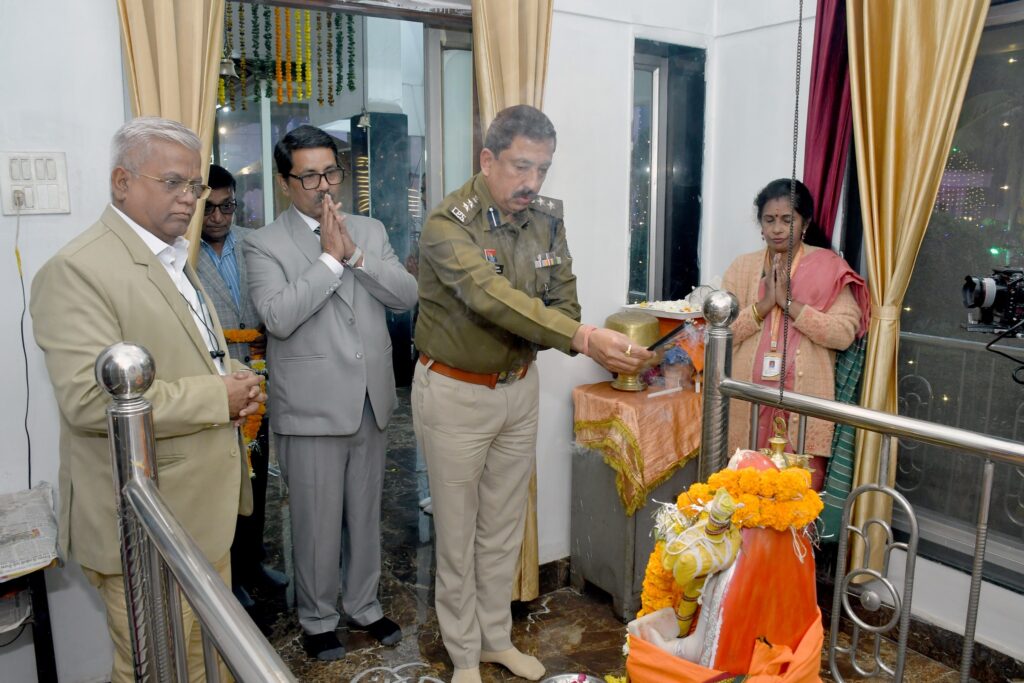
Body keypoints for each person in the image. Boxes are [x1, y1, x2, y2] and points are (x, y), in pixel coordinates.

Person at [414, 104, 653, 683]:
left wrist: (569, 328)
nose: (532, 181)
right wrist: (580, 337)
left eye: (542, 168)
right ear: (487, 159)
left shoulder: (546, 220)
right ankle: (463, 655)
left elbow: (563, 297)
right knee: (458, 534)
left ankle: (495, 638)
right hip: (456, 392)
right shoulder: (448, 225)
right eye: (521, 166)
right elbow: (490, 296)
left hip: (519, 389)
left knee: (503, 528)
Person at [31, 116, 265, 682]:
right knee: (160, 670)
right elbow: (89, 400)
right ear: (122, 182)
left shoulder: (170, 256)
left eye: (194, 185)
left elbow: (189, 354)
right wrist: (217, 397)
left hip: (200, 513)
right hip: (148, 524)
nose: (189, 198)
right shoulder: (78, 270)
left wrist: (233, 376)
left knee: (209, 664)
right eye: (173, 183)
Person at [242, 124, 417, 661]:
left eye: (331, 173)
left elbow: (405, 294)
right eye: (309, 176)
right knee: (315, 521)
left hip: (370, 399)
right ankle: (317, 617)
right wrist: (328, 260)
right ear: (284, 183)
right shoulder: (263, 243)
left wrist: (356, 255)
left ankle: (364, 605)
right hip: (311, 405)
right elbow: (278, 317)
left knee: (365, 514)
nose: (324, 186)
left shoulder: (369, 228)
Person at [721, 178, 870, 490]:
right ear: (760, 225)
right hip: (748, 404)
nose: (777, 229)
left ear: (805, 223)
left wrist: (790, 304)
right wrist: (763, 306)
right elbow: (723, 333)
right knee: (744, 493)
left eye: (787, 220)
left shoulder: (829, 267)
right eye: (769, 220)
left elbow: (843, 333)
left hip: (804, 407)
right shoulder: (741, 268)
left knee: (796, 498)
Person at [197, 164, 288, 608]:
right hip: (212, 385)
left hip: (259, 379)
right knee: (222, 485)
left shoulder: (256, 244)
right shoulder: (181, 253)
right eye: (210, 208)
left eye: (227, 206)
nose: (218, 217)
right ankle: (227, 576)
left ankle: (253, 563)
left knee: (257, 477)